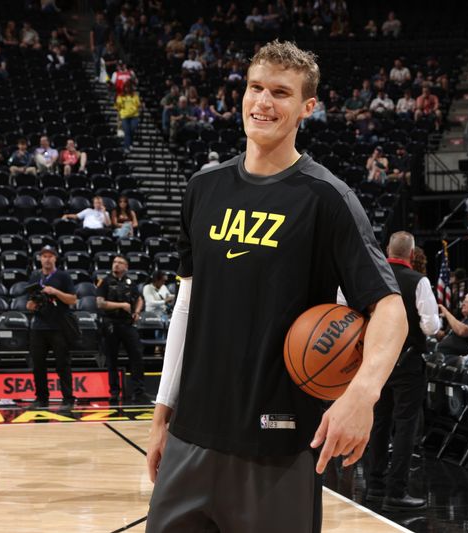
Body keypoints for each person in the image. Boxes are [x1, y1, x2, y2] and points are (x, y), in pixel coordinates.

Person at [144, 40, 407, 533]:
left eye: (281, 93)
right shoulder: (204, 188)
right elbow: (186, 307)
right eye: (256, 88)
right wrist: (163, 415)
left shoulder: (327, 198)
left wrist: (362, 393)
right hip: (191, 436)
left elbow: (389, 307)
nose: (263, 102)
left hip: (276, 446)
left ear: (308, 107)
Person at [365, 231, 439, 510]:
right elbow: (430, 327)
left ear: (387, 250)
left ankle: (374, 487)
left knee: (379, 423)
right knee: (406, 425)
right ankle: (396, 492)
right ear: (412, 253)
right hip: (408, 361)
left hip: (376, 360)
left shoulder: (373, 275)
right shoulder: (419, 281)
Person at [25, 246, 77, 409]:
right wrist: (31, 305)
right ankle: (41, 398)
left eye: (50, 256)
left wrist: (55, 292)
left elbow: (72, 300)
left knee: (62, 364)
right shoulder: (35, 276)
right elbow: (29, 303)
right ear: (40, 258)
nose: (47, 259)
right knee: (38, 364)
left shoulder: (63, 276)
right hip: (39, 326)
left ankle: (68, 399)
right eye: (44, 256)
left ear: (55, 258)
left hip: (59, 326)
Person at [97, 256, 147, 404]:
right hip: (111, 324)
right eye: (114, 262)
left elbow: (139, 299)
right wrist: (121, 305)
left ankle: (138, 392)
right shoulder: (104, 281)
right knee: (112, 359)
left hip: (127, 323)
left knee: (137, 356)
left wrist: (137, 312)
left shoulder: (130, 282)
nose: (116, 265)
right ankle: (114, 393)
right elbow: (100, 303)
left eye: (120, 263)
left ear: (126, 266)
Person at [436, 293, 468, 357]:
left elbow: (462, 331)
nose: (463, 304)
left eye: (467, 302)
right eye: (463, 302)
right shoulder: (461, 320)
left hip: (456, 358)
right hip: (441, 354)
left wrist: (446, 313)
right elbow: (441, 336)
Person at [116, 81, 141, 152]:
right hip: (124, 116)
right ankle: (126, 147)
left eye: (128, 87)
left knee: (132, 130)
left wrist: (137, 107)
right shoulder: (120, 96)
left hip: (134, 116)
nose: (127, 89)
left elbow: (138, 104)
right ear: (124, 88)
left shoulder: (135, 96)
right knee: (127, 131)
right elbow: (118, 106)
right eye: (126, 87)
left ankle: (130, 144)